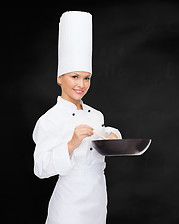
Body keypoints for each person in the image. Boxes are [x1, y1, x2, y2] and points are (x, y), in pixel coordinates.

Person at [32, 11, 122, 224]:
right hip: (69, 208)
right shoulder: (49, 119)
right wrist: (72, 143)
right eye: (74, 77)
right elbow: (41, 168)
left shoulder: (96, 115)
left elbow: (102, 134)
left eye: (86, 78)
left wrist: (112, 135)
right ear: (60, 78)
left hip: (98, 203)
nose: (81, 85)